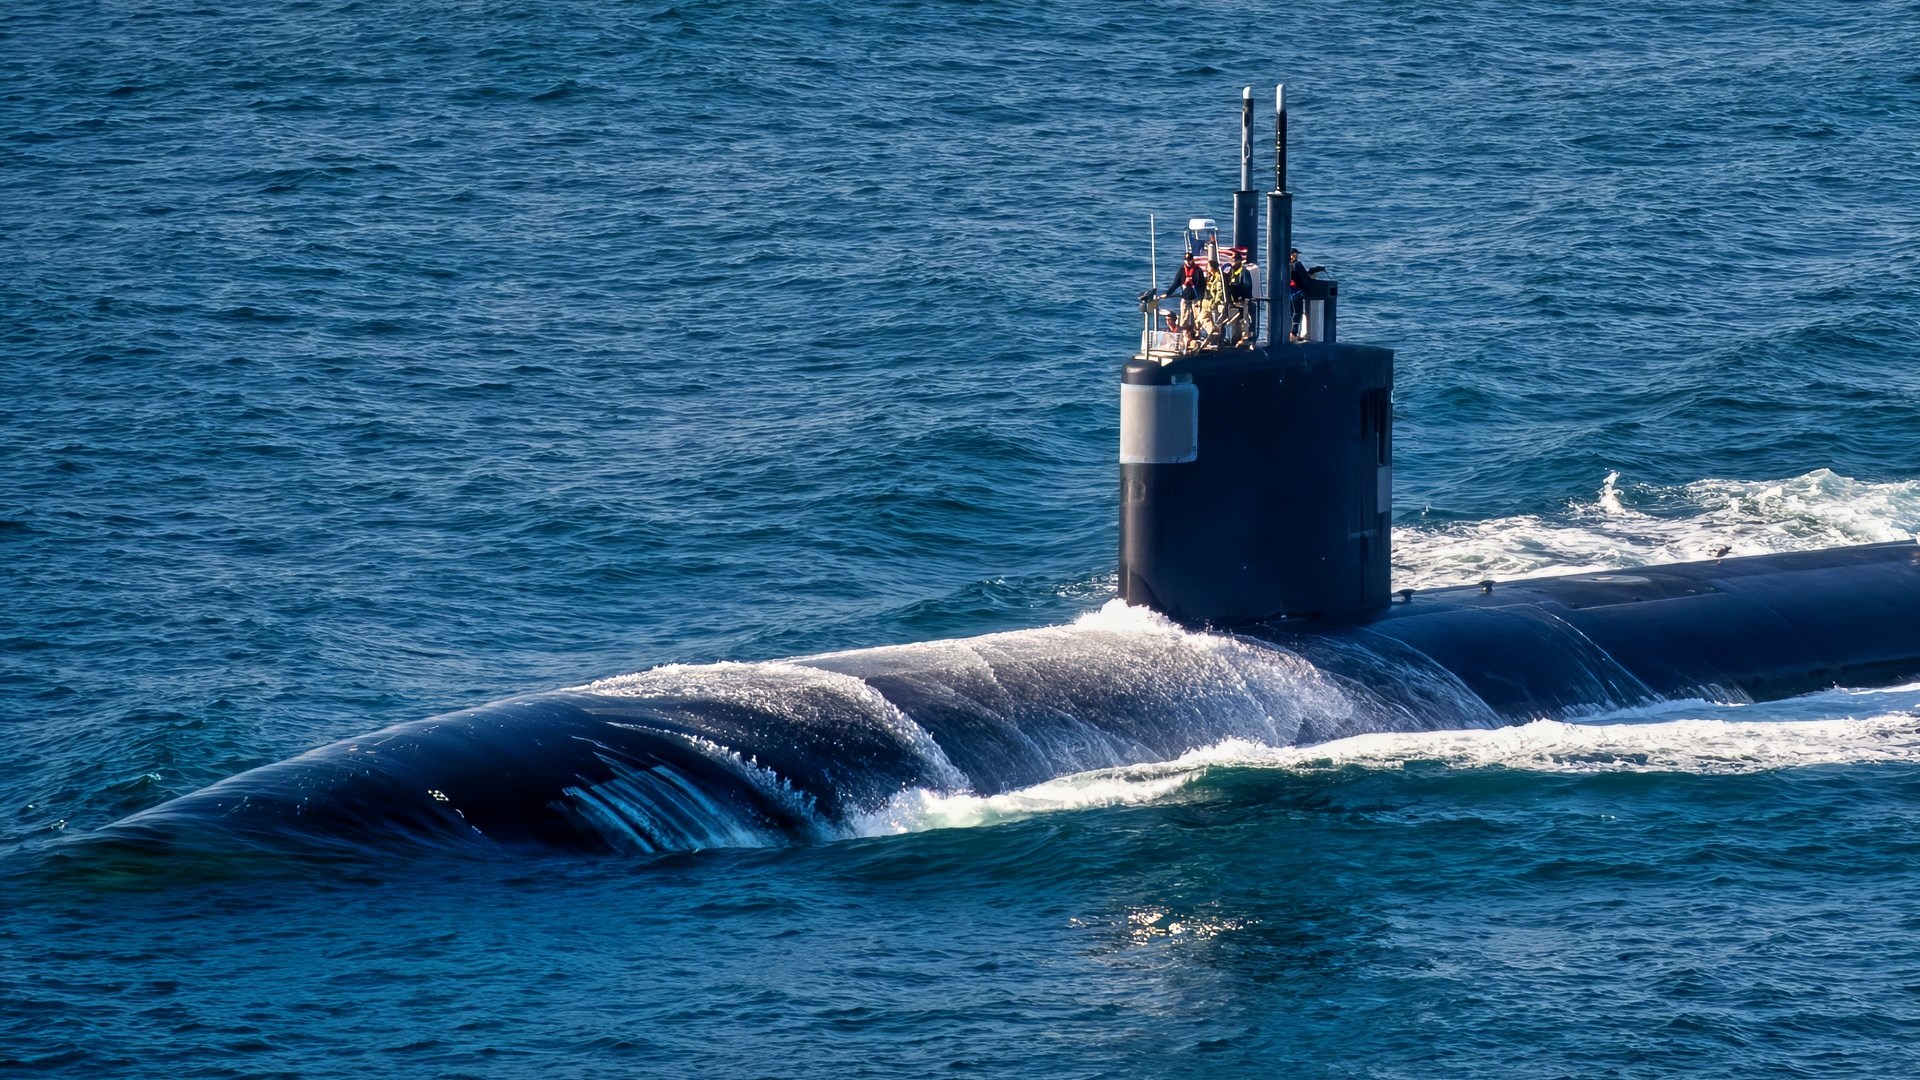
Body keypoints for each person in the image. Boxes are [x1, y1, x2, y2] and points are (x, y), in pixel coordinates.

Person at [1161, 251, 1210, 349]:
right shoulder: (1181, 270)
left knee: (1197, 318)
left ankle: (1197, 335)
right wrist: (1167, 293)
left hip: (1195, 298)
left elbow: (1203, 285)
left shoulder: (1198, 271)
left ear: (1192, 260)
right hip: (1185, 297)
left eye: (1190, 260)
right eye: (1187, 260)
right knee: (1184, 318)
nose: (1188, 262)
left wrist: (1201, 294)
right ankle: (1182, 336)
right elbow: (1176, 283)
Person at [1222, 247, 1255, 346]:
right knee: (1234, 322)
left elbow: (1248, 286)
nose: (1233, 262)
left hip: (1242, 301)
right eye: (1232, 260)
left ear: (1239, 261)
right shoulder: (1231, 272)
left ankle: (1244, 339)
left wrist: (1241, 293)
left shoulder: (1244, 272)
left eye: (1235, 260)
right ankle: (1235, 340)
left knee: (1243, 321)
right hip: (1233, 301)